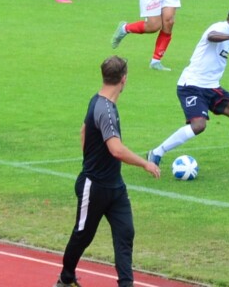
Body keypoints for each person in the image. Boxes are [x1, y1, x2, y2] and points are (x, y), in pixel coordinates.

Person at [55, 56, 161, 287]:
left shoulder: (98, 102)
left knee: (125, 233)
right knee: (83, 234)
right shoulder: (106, 110)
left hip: (115, 186)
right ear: (124, 79)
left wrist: (91, 158)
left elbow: (84, 132)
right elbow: (116, 150)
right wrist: (145, 163)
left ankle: (126, 284)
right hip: (94, 186)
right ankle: (65, 279)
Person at [147, 5, 229, 173]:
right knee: (199, 125)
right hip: (191, 86)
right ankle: (156, 152)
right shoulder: (220, 28)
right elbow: (211, 37)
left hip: (212, 87)